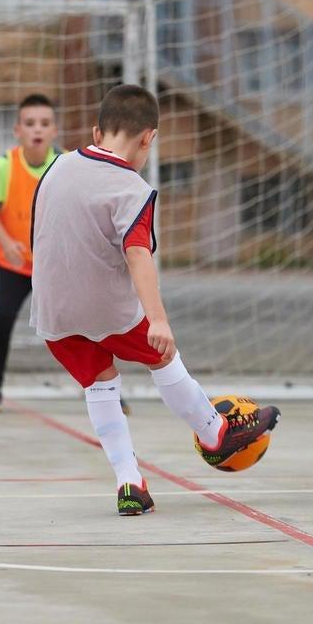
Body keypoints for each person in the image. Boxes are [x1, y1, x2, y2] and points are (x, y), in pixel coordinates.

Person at [29, 83, 280, 515]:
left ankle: (130, 484)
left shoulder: (56, 166)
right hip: (105, 307)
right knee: (163, 356)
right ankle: (214, 432)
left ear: (96, 130)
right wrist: (157, 319)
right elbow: (137, 252)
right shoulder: (131, 187)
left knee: (100, 382)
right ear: (149, 138)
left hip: (51, 310)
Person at [0, 94, 61, 413]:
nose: (37, 129)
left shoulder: (64, 165)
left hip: (54, 266)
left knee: (84, 321)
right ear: (17, 130)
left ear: (54, 130)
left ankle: (106, 388)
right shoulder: (4, 165)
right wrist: (7, 242)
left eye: (44, 123)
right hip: (14, 264)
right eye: (29, 123)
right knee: (0, 318)